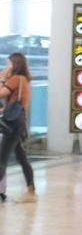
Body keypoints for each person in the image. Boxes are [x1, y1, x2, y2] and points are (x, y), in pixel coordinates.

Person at [0, 52, 37, 203]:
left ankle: (31, 191)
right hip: (20, 122)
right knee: (22, 158)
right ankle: (31, 191)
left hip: (13, 125)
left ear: (14, 64)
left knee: (1, 160)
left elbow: (1, 93)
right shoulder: (24, 80)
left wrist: (3, 76)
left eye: (8, 63)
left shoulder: (15, 79)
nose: (6, 66)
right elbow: (16, 104)